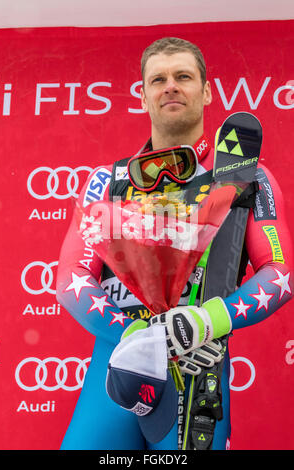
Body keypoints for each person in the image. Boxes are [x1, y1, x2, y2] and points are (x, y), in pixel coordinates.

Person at [56, 37, 293, 450]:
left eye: (183, 76)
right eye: (158, 79)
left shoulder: (247, 178)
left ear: (206, 91)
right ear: (143, 95)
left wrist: (206, 322)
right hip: (116, 362)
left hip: (199, 362)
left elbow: (280, 273)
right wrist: (137, 335)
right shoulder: (105, 181)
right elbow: (71, 278)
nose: (170, 86)